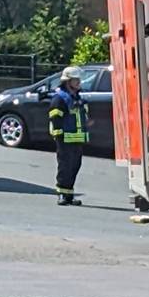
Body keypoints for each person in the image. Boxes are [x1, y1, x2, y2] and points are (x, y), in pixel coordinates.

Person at [48, 75, 90, 206]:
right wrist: (59, 135)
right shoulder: (60, 98)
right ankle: (62, 194)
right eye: (75, 80)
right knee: (65, 167)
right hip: (64, 139)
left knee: (75, 166)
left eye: (79, 79)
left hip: (77, 139)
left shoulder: (78, 98)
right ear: (67, 82)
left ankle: (69, 195)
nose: (78, 82)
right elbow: (55, 118)